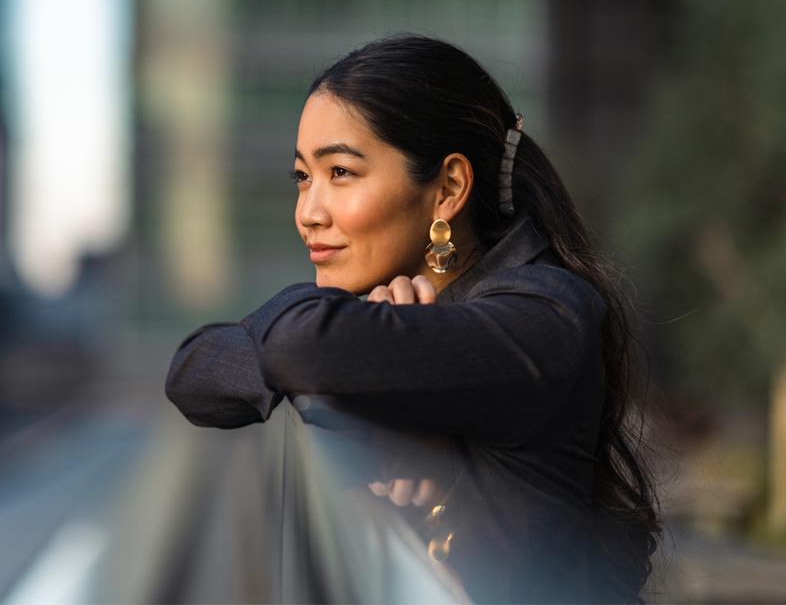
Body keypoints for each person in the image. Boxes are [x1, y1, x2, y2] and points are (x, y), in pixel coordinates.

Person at [165, 33, 661, 603]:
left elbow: (302, 351)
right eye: (303, 177)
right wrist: (361, 358)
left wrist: (345, 361)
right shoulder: (374, 310)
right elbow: (194, 373)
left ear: (448, 188)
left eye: (342, 173)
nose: (308, 214)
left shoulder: (545, 315)